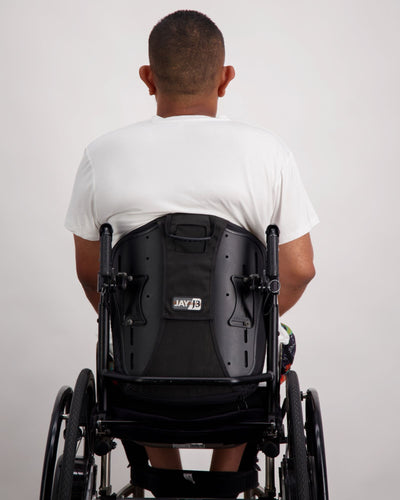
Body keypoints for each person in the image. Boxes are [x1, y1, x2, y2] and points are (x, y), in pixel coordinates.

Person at [65, 10, 318, 474]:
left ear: (147, 77)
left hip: (139, 379)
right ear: (225, 79)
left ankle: (162, 470)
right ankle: (228, 470)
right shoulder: (268, 154)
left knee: (127, 350)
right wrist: (250, 323)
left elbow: (90, 273)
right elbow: (299, 270)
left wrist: (131, 325)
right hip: (240, 381)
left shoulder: (102, 155)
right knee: (268, 349)